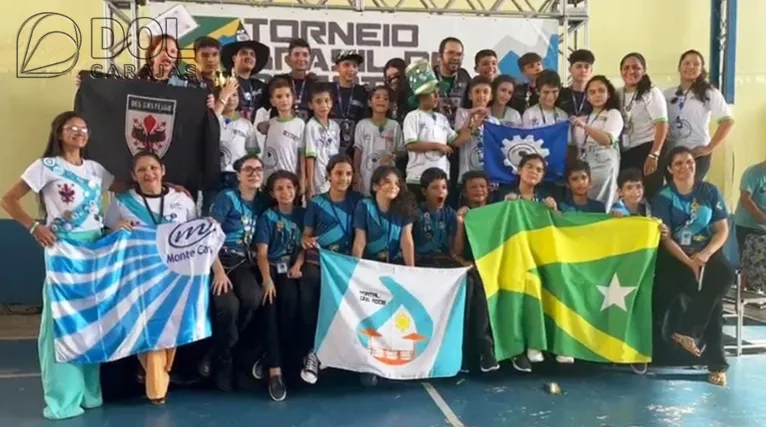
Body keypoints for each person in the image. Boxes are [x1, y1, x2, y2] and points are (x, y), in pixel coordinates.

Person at [0, 112, 119, 420]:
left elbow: (126, 190)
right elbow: (9, 199)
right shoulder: (45, 167)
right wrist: (33, 226)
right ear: (59, 133)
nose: (79, 132)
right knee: (61, 322)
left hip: (95, 247)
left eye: (84, 128)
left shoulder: (96, 169)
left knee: (91, 321)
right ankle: (63, 398)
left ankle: (90, 393)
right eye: (72, 128)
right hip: (63, 249)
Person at [103, 151, 229, 405]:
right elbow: (107, 236)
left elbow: (200, 238)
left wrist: (217, 269)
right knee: (152, 330)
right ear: (133, 176)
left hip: (179, 278)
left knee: (173, 329)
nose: (148, 174)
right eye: (141, 170)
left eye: (152, 168)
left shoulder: (182, 200)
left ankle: (158, 372)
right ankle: (156, 386)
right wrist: (115, 229)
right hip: (141, 278)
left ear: (163, 170)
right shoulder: (122, 203)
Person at [651, 146, 734, 387]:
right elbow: (665, 237)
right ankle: (654, 353)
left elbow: (722, 229)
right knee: (707, 298)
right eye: (678, 163)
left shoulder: (709, 191)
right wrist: (689, 262)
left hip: (707, 254)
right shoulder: (663, 197)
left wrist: (705, 255)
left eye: (689, 162)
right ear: (669, 169)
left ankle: (694, 337)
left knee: (722, 277)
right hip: (676, 256)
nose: (685, 167)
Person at [207, 154, 270, 392]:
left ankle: (223, 351)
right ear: (238, 175)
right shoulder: (227, 198)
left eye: (258, 169)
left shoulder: (264, 201)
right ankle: (222, 362)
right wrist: (218, 272)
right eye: (248, 169)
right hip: (220, 259)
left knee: (253, 299)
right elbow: (209, 234)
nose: (254, 173)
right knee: (228, 306)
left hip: (245, 262)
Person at [300, 155, 363, 385]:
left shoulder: (359, 201)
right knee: (311, 296)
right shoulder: (317, 202)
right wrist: (305, 240)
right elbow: (307, 233)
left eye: (348, 173)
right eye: (338, 173)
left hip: (346, 265)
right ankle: (313, 352)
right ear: (328, 174)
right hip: (319, 262)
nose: (343, 178)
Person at [352, 165, 416, 387]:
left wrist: (411, 270)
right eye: (388, 182)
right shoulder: (364, 206)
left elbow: (406, 240)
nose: (393, 186)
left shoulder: (404, 208)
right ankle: (368, 365)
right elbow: (360, 240)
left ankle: (392, 362)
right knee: (372, 318)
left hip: (394, 266)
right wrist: (355, 271)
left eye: (397, 183)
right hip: (370, 267)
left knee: (395, 318)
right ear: (376, 185)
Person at [253, 170, 306, 401]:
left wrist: (298, 265)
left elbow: (307, 244)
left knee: (292, 306)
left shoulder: (304, 215)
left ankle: (273, 357)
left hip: (291, 270)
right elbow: (262, 254)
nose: (285, 192)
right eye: (280, 188)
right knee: (271, 307)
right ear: (273, 193)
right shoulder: (268, 217)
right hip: (272, 269)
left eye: (289, 187)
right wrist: (267, 280)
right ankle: (275, 371)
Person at [451, 170, 500, 373]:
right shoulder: (463, 215)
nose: (478, 190)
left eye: (482, 186)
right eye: (473, 187)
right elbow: (456, 253)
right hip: (473, 268)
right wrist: (461, 225)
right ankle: (483, 350)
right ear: (465, 192)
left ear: (489, 189)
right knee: (476, 287)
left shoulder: (499, 213)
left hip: (497, 266)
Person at [403, 61, 474, 199]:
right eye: (432, 93)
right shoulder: (412, 116)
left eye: (438, 93)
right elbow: (411, 145)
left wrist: (472, 122)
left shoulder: (441, 118)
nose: (437, 97)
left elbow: (457, 141)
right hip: (418, 178)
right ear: (421, 96)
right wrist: (437, 146)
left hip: (440, 179)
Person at [664, 50, 734, 181]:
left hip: (696, 154)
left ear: (702, 69)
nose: (691, 67)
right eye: (687, 63)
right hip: (672, 154)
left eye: (696, 64)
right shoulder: (667, 94)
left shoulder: (709, 93)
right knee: (673, 193)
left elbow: (727, 121)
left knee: (691, 191)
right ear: (679, 67)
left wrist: (710, 147)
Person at [617, 52, 668, 199]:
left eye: (636, 67)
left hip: (648, 148)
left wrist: (654, 154)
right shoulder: (617, 93)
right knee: (629, 195)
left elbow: (662, 124)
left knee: (649, 193)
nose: (630, 71)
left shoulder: (651, 92)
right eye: (626, 68)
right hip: (626, 151)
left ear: (644, 70)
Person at [571, 75, 624, 209]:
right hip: (583, 162)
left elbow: (607, 140)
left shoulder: (613, 114)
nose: (597, 95)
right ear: (587, 97)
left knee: (601, 203)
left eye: (601, 91)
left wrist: (585, 127)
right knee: (583, 201)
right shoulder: (584, 117)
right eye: (592, 92)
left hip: (603, 161)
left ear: (609, 94)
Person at [353, 86, 404, 196]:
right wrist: (356, 173)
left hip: (388, 176)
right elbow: (358, 151)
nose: (381, 100)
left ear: (390, 105)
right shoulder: (362, 125)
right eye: (377, 97)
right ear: (369, 102)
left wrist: (393, 156)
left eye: (386, 98)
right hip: (366, 175)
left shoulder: (394, 126)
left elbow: (401, 150)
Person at [262, 78, 306, 185]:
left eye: (287, 95)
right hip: (269, 179)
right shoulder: (269, 124)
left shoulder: (300, 124)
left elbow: (302, 155)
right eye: (279, 97)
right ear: (272, 101)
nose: (284, 100)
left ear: (293, 98)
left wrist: (303, 179)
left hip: (290, 178)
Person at [453, 76, 496, 183]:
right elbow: (458, 141)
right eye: (477, 92)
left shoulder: (494, 121)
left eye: (485, 92)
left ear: (491, 96)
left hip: (488, 176)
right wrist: (475, 121)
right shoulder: (462, 113)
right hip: (467, 173)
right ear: (469, 96)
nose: (481, 95)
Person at [221, 32, 270, 123]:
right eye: (244, 53)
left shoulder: (260, 87)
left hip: (247, 133)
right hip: (225, 132)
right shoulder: (222, 81)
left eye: (252, 54)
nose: (249, 56)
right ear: (234, 58)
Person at [733, 159, 766, 292]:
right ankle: (743, 295)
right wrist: (763, 219)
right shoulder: (753, 173)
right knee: (747, 262)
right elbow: (746, 199)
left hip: (763, 227)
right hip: (747, 224)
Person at [304, 83, 341, 199]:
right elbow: (310, 157)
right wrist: (310, 184)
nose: (324, 105)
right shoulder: (311, 126)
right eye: (318, 102)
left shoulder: (335, 126)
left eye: (327, 101)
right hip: (318, 177)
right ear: (311, 105)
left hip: (333, 176)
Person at [266, 38, 316, 123]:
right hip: (280, 132)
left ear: (310, 59)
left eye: (305, 55)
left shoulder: (315, 84)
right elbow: (259, 105)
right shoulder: (276, 81)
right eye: (296, 54)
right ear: (289, 58)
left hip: (307, 134)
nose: (301, 58)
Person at [331, 50, 369, 155]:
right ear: (337, 68)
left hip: (354, 147)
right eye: (346, 65)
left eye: (355, 66)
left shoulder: (363, 92)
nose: (351, 69)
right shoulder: (328, 89)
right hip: (329, 146)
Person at [557, 49, 595, 117]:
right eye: (579, 66)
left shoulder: (596, 95)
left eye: (586, 67)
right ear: (570, 69)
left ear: (591, 70)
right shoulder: (560, 94)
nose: (583, 70)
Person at [383, 58, 413, 124]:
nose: (393, 80)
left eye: (396, 76)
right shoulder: (386, 100)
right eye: (389, 78)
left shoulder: (413, 98)